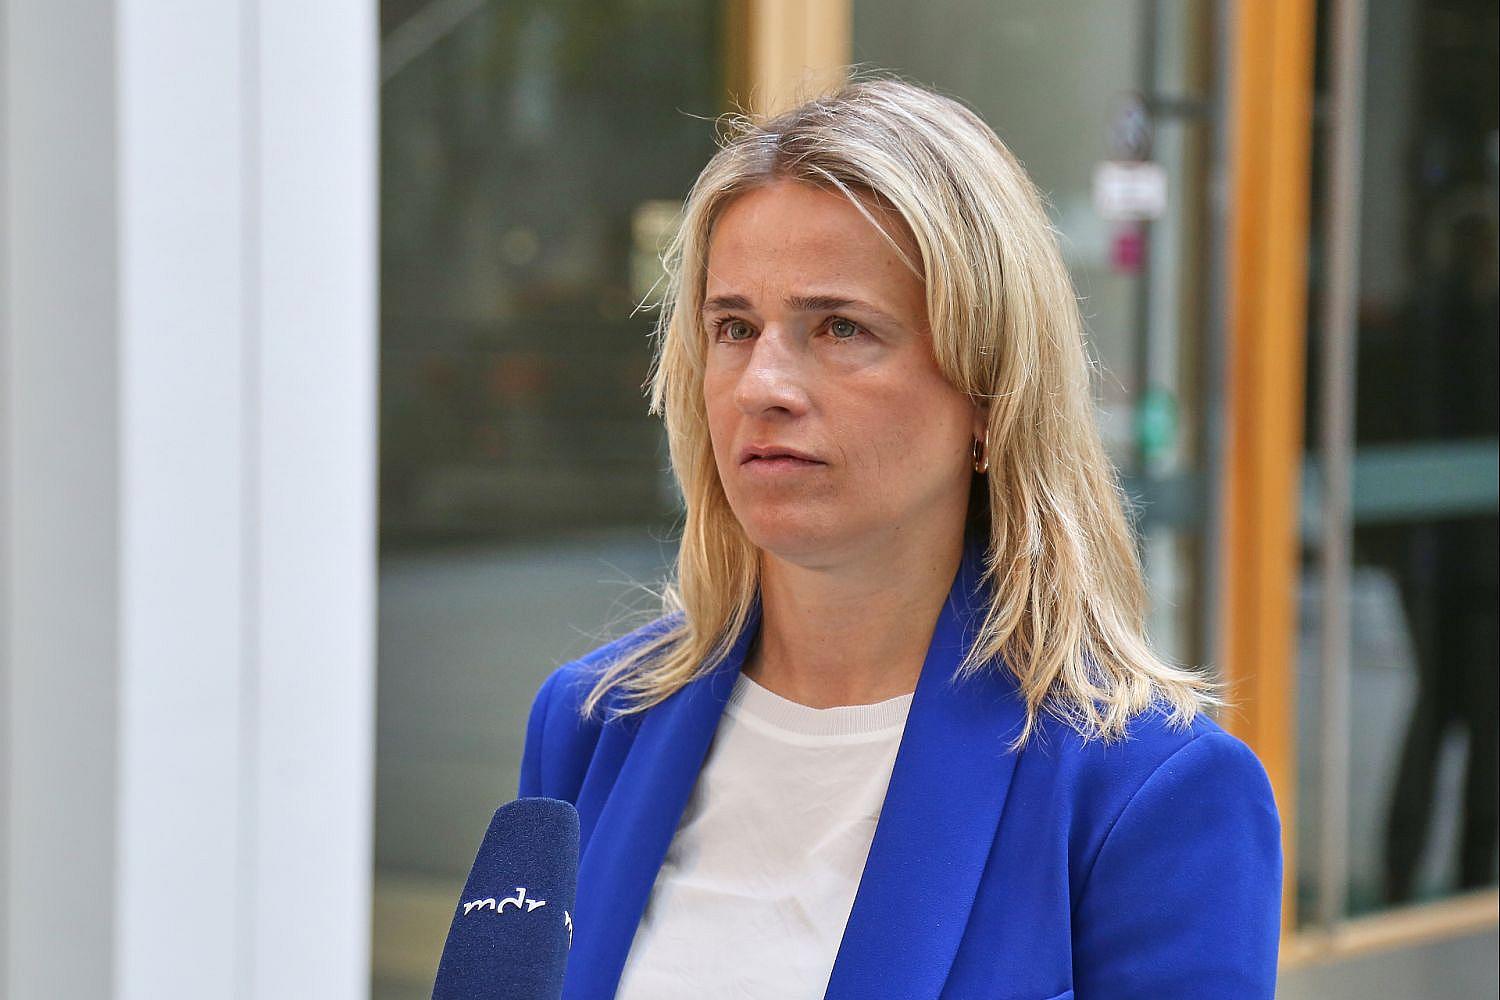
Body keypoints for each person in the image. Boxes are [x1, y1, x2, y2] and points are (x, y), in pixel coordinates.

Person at [518, 76, 1282, 999]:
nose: (762, 386)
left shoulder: (1150, 794)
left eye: (840, 327)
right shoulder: (592, 725)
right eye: (735, 327)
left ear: (990, 397)